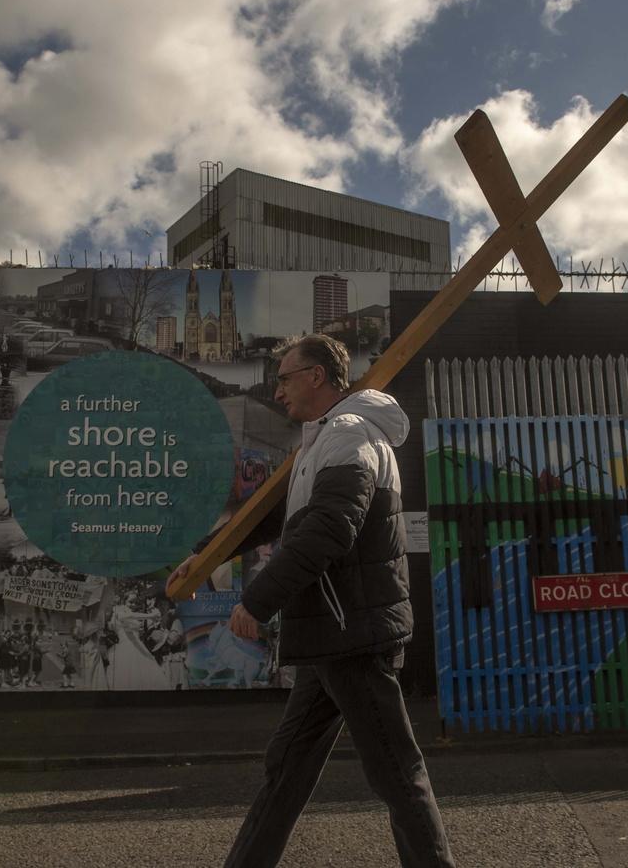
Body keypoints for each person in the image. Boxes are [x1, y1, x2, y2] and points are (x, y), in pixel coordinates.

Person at [170, 334, 453, 868]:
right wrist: (206, 557)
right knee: (288, 767)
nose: (277, 391)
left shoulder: (348, 436)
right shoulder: (322, 441)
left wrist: (256, 601)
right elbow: (277, 517)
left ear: (317, 376)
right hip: (332, 634)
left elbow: (326, 531)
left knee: (397, 773)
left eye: (284, 377)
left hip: (352, 636)